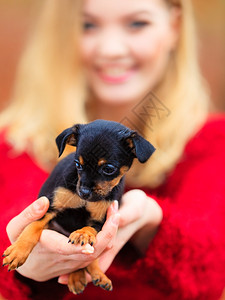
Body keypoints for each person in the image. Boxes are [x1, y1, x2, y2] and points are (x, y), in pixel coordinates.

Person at [0, 0, 225, 299]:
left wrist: (152, 225)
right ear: (61, 34)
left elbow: (211, 273)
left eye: (137, 23)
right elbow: (18, 210)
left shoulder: (213, 141)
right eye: (88, 24)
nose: (111, 49)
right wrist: (22, 256)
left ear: (174, 26)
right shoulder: (14, 141)